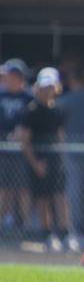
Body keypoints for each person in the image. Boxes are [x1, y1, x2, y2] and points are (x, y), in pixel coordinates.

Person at [19, 68, 71, 251]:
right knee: (43, 198)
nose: (47, 90)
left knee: (60, 196)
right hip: (40, 161)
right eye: (44, 87)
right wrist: (36, 163)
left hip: (56, 160)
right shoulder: (31, 111)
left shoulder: (58, 110)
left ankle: (65, 233)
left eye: (50, 86)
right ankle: (47, 234)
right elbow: (25, 141)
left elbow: (60, 135)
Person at [57, 63, 84, 240]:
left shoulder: (65, 100)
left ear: (72, 80)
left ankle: (76, 230)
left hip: (72, 153)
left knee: (74, 193)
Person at [0, 59, 33, 235]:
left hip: (22, 151)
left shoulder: (28, 98)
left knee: (23, 188)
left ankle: (26, 224)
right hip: (3, 151)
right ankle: (2, 223)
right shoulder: (1, 96)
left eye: (13, 76)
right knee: (4, 188)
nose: (9, 79)